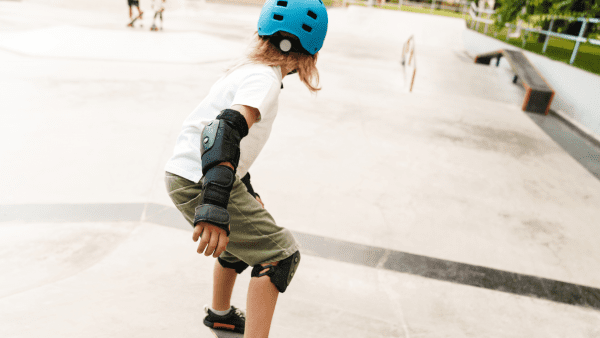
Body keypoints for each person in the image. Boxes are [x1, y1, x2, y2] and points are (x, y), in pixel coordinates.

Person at [163, 0, 328, 337]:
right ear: (309, 54)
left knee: (245, 240)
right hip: (200, 178)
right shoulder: (264, 79)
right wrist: (214, 202)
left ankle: (220, 313)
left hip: (191, 171)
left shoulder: (249, 69)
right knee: (279, 254)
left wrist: (243, 188)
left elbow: (232, 143)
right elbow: (224, 130)